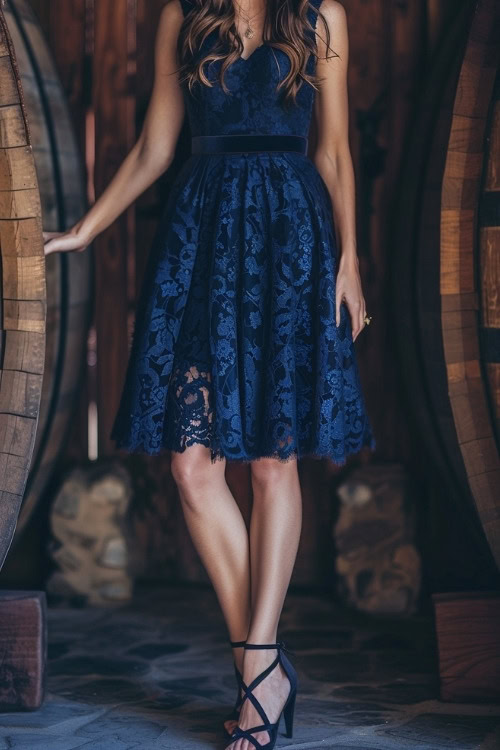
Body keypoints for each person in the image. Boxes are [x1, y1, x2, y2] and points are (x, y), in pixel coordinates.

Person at [44, 1, 376, 747]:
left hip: (292, 237)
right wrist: (85, 229)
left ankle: (258, 676)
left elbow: (334, 152)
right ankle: (264, 667)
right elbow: (155, 148)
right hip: (203, 239)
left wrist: (349, 260)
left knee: (271, 461)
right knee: (193, 467)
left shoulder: (322, 17)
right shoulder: (182, 17)